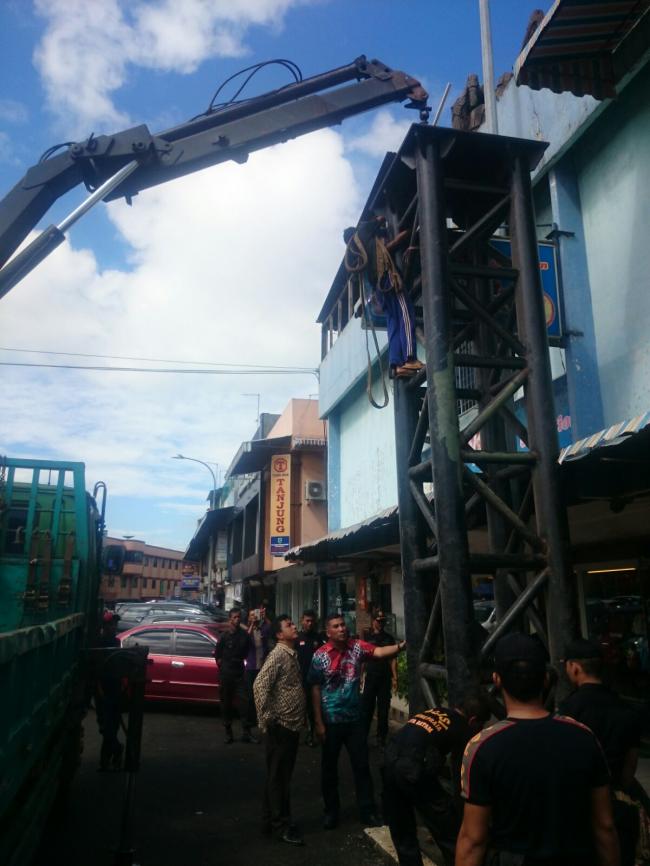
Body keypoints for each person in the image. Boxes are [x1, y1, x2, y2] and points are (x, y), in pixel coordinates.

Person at [456, 632, 620, 866]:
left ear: (497, 679)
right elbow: (605, 826)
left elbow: (473, 840)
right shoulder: (584, 736)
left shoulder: (482, 748)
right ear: (545, 679)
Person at [308, 613, 406, 829]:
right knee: (329, 770)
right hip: (331, 721)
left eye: (343, 624)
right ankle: (331, 812)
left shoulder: (357, 647)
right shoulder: (320, 655)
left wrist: (402, 646)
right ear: (328, 632)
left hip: (355, 720)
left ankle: (368, 810)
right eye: (336, 626)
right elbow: (314, 688)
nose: (342, 628)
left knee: (362, 767)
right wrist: (318, 722)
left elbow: (379, 652)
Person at [560, 638, 646, 866]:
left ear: (574, 667)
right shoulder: (626, 709)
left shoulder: (569, 710)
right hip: (618, 806)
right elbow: (629, 769)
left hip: (580, 811)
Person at [382, 692, 491, 866]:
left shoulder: (437, 711)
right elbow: (465, 769)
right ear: (473, 721)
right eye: (481, 725)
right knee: (447, 827)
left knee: (402, 829)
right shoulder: (463, 728)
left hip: (389, 759)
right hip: (413, 768)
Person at [344, 216, 423, 379]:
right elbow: (381, 218)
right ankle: (410, 358)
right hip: (389, 280)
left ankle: (396, 365)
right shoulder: (363, 232)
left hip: (380, 290)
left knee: (393, 323)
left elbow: (386, 249)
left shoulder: (358, 256)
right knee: (406, 314)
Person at [253, 615, 306, 846]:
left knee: (277, 776)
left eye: (293, 624)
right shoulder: (278, 655)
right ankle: (281, 825)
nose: (294, 627)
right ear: (279, 635)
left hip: (291, 725)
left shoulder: (290, 654)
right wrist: (266, 719)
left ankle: (269, 821)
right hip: (281, 726)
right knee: (279, 779)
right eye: (289, 626)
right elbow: (259, 685)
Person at [214, 608, 255, 744]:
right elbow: (218, 655)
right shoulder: (224, 637)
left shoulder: (244, 636)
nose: (237, 620)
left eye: (238, 617)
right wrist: (224, 668)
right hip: (226, 674)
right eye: (235, 617)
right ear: (230, 619)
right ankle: (228, 732)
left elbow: (249, 649)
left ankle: (246, 733)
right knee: (226, 704)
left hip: (239, 673)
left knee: (245, 703)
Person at [362, 609, 398, 747]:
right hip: (371, 677)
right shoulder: (367, 637)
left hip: (385, 678)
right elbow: (363, 658)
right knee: (367, 709)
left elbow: (393, 659)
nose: (381, 623)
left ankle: (381, 737)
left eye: (383, 620)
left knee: (384, 709)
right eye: (379, 620)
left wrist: (395, 678)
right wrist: (361, 676)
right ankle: (363, 736)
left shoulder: (389, 638)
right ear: (373, 621)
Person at [95, 610, 124, 772]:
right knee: (105, 728)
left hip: (115, 691)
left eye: (115, 624)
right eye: (111, 624)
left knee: (111, 727)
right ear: (104, 626)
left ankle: (105, 762)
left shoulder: (116, 642)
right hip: (103, 693)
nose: (113, 627)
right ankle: (117, 750)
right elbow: (97, 670)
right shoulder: (99, 643)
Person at [296, 609, 326, 745]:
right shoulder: (297, 638)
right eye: (307, 621)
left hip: (316, 679)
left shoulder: (318, 638)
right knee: (302, 706)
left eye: (312, 621)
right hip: (300, 678)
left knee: (315, 706)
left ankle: (312, 732)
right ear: (302, 621)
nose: (309, 623)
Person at [244, 608, 271, 731]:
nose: (253, 617)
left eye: (255, 615)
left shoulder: (261, 630)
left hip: (262, 667)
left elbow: (270, 627)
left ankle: (261, 718)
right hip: (251, 668)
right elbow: (245, 640)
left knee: (262, 694)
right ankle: (250, 720)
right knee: (250, 696)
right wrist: (252, 625)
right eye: (251, 615)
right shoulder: (246, 630)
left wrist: (264, 617)